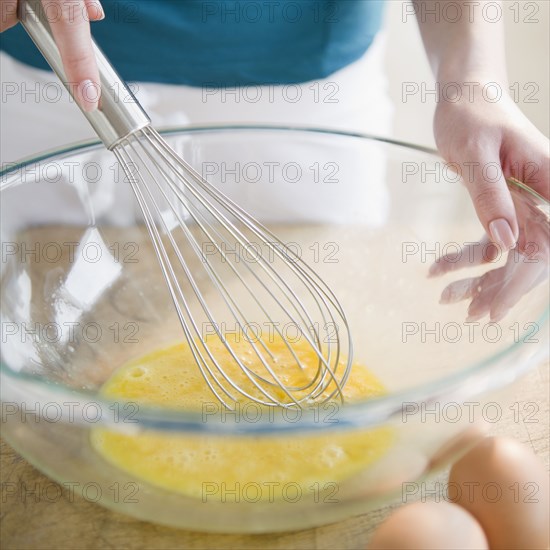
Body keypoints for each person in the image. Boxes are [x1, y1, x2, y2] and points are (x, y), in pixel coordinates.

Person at [1, 0, 548, 317]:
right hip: (55, 78)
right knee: (42, 327)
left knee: (319, 328)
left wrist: (473, 82)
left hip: (307, 106)